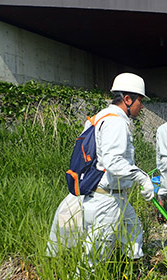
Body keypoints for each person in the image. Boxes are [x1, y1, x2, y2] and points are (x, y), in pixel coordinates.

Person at [48, 72, 155, 269]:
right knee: (95, 256)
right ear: (128, 99)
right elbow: (112, 161)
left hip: (113, 197)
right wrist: (142, 178)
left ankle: (133, 273)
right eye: (140, 100)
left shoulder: (100, 116)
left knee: (133, 230)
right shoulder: (115, 121)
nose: (142, 106)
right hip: (106, 200)